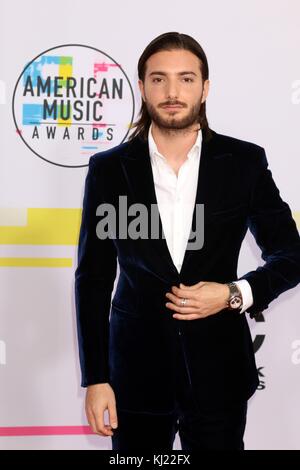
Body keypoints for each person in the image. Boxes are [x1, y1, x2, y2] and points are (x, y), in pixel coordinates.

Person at [75, 32, 300, 451]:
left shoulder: (243, 162)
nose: (173, 92)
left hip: (220, 374)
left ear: (205, 87)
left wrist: (234, 293)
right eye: (159, 79)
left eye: (186, 78)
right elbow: (93, 277)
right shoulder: (108, 169)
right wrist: (96, 377)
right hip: (134, 378)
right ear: (141, 87)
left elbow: (291, 254)